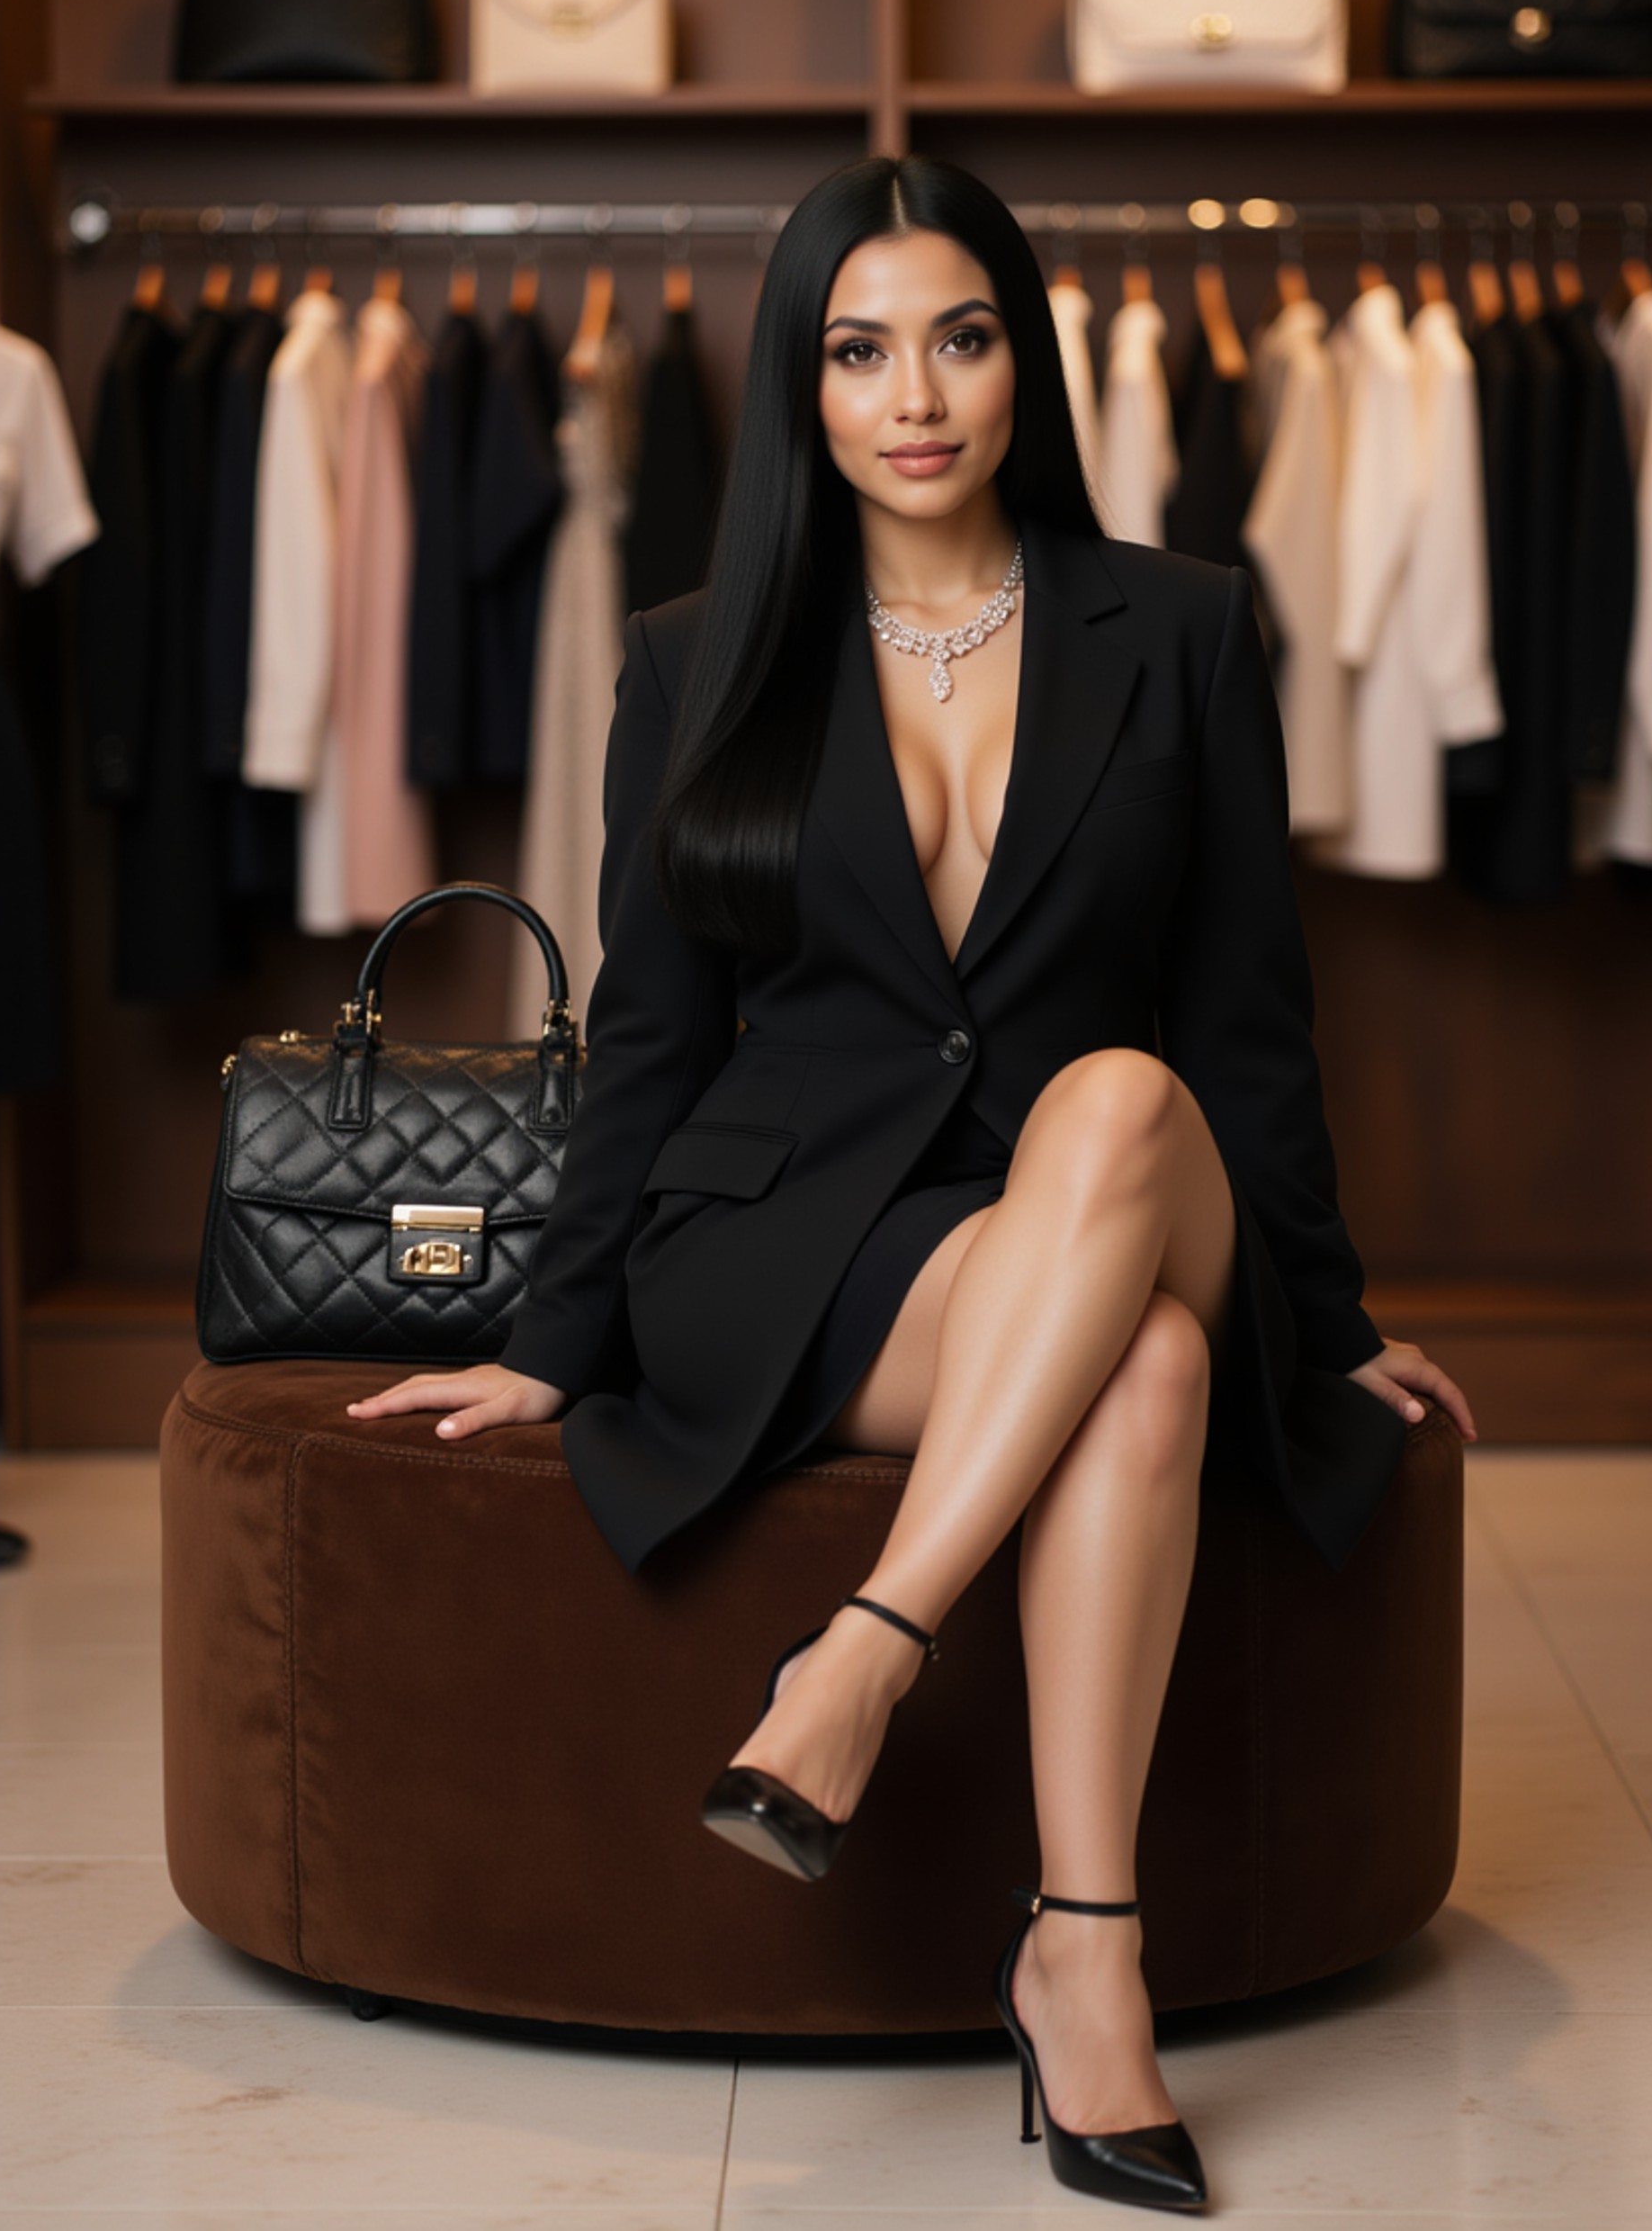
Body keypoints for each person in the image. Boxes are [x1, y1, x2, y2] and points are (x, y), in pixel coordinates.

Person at [347, 155, 1477, 2216]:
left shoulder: (1188, 629)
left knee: (1128, 1101)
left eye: (958, 335)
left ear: (1018, 358)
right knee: (1138, 1373)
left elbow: (1251, 1023)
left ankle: (861, 1653)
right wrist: (550, 1342)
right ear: (802, 384)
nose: (914, 392)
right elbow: (656, 1035)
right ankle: (1087, 1957)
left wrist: (1327, 1316)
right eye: (857, 348)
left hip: (1122, 1169)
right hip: (799, 1238)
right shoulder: (700, 660)